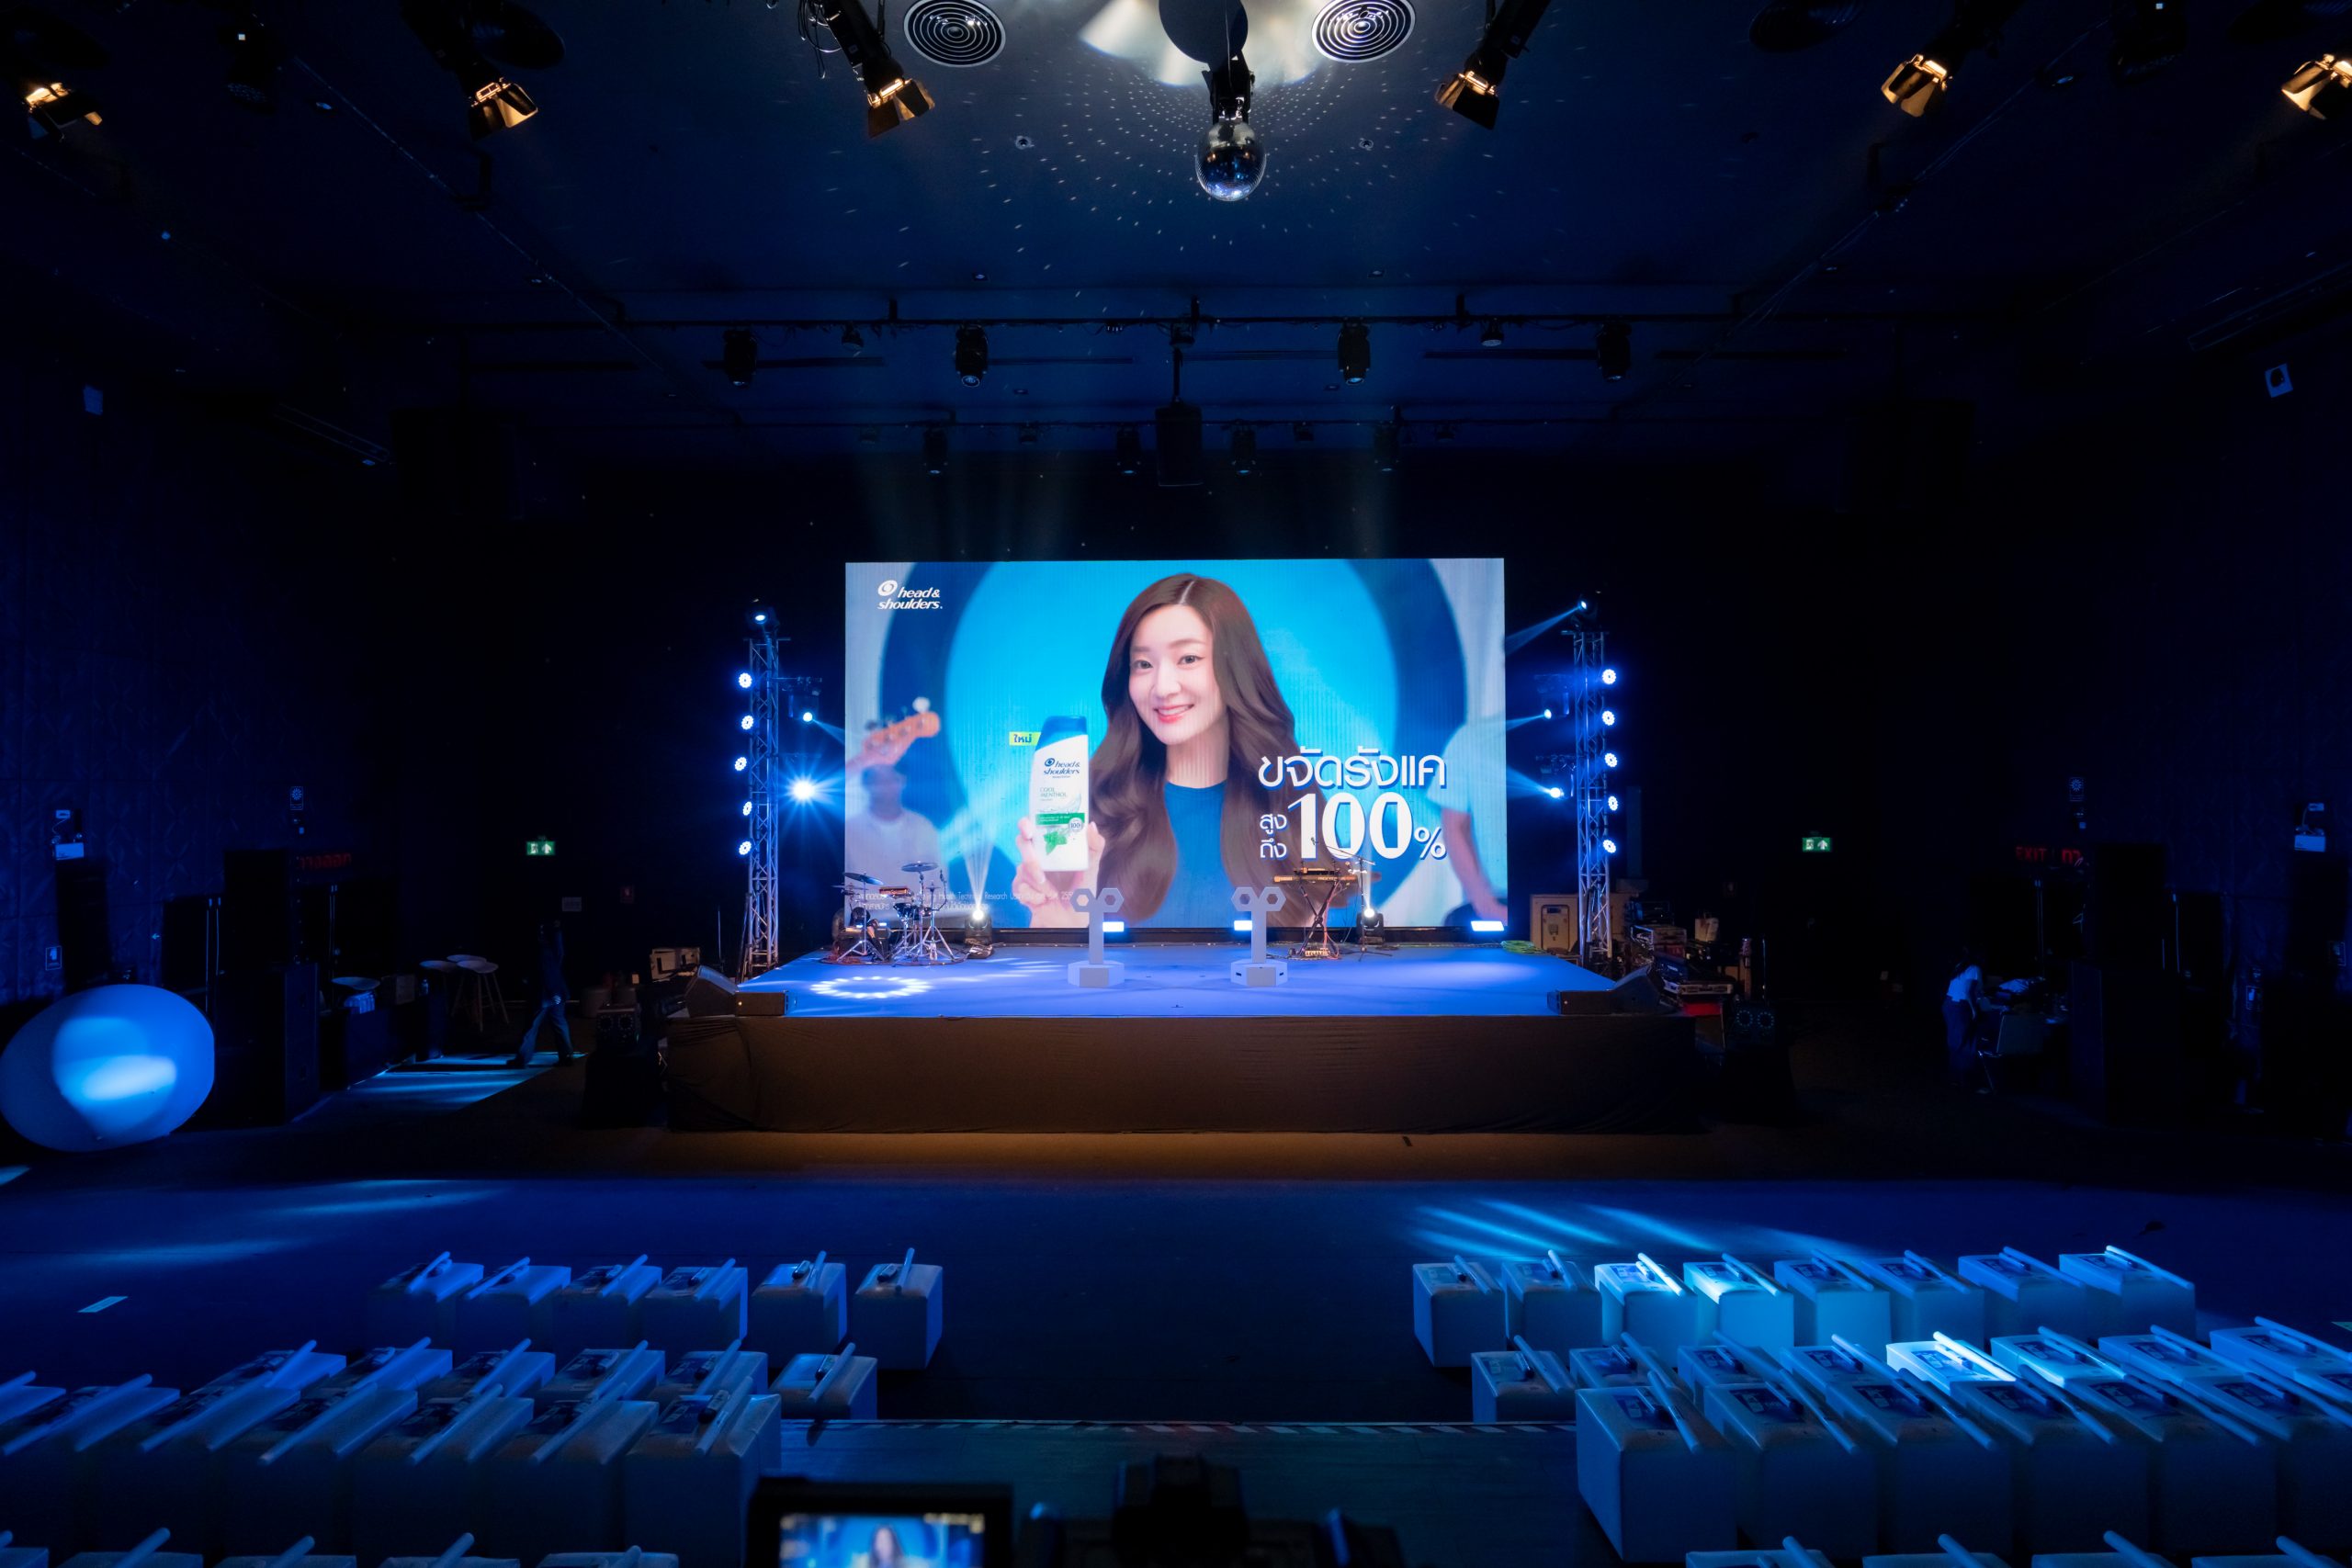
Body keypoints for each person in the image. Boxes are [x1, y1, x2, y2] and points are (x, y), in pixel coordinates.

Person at [1012, 573, 1300, 928]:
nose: (1162, 688)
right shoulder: (1090, 812)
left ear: (1236, 667)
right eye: (1144, 664)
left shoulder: (1288, 803)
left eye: (1188, 658)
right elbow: (1061, 953)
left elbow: (1317, 949)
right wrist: (1057, 921)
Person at [844, 761, 945, 888]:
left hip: (914, 900)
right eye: (878, 780)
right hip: (866, 901)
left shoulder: (923, 826)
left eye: (892, 779)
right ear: (866, 784)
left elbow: (938, 878)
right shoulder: (849, 830)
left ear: (903, 781)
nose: (886, 785)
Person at [511, 919, 573, 1066]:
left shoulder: (541, 950)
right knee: (559, 1024)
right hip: (556, 993)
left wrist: (552, 993)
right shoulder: (552, 948)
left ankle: (522, 1059)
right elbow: (554, 965)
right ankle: (567, 1056)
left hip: (546, 995)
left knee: (532, 1026)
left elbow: (547, 972)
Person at [1945, 949, 1989, 1089]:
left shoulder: (1961, 966)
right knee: (1965, 1042)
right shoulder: (1974, 969)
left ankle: (1957, 1078)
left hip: (1951, 1004)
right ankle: (1965, 1081)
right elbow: (1969, 992)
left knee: (1957, 1041)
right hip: (1960, 1006)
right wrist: (1974, 1009)